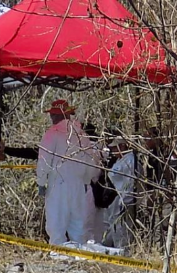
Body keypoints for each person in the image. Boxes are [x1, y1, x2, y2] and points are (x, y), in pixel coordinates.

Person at [36, 99, 101, 245]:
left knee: (56, 224)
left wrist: (41, 182)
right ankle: (78, 257)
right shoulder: (81, 135)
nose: (51, 117)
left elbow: (44, 160)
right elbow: (91, 160)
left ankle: (58, 256)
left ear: (57, 116)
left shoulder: (51, 134)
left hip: (57, 185)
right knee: (78, 226)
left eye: (53, 114)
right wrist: (86, 180)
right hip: (78, 185)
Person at [103, 138, 137, 249]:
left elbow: (130, 184)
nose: (112, 150)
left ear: (122, 146)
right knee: (113, 227)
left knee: (122, 229)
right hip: (115, 200)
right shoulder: (119, 161)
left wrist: (125, 201)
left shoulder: (130, 161)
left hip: (123, 201)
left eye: (114, 147)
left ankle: (122, 251)